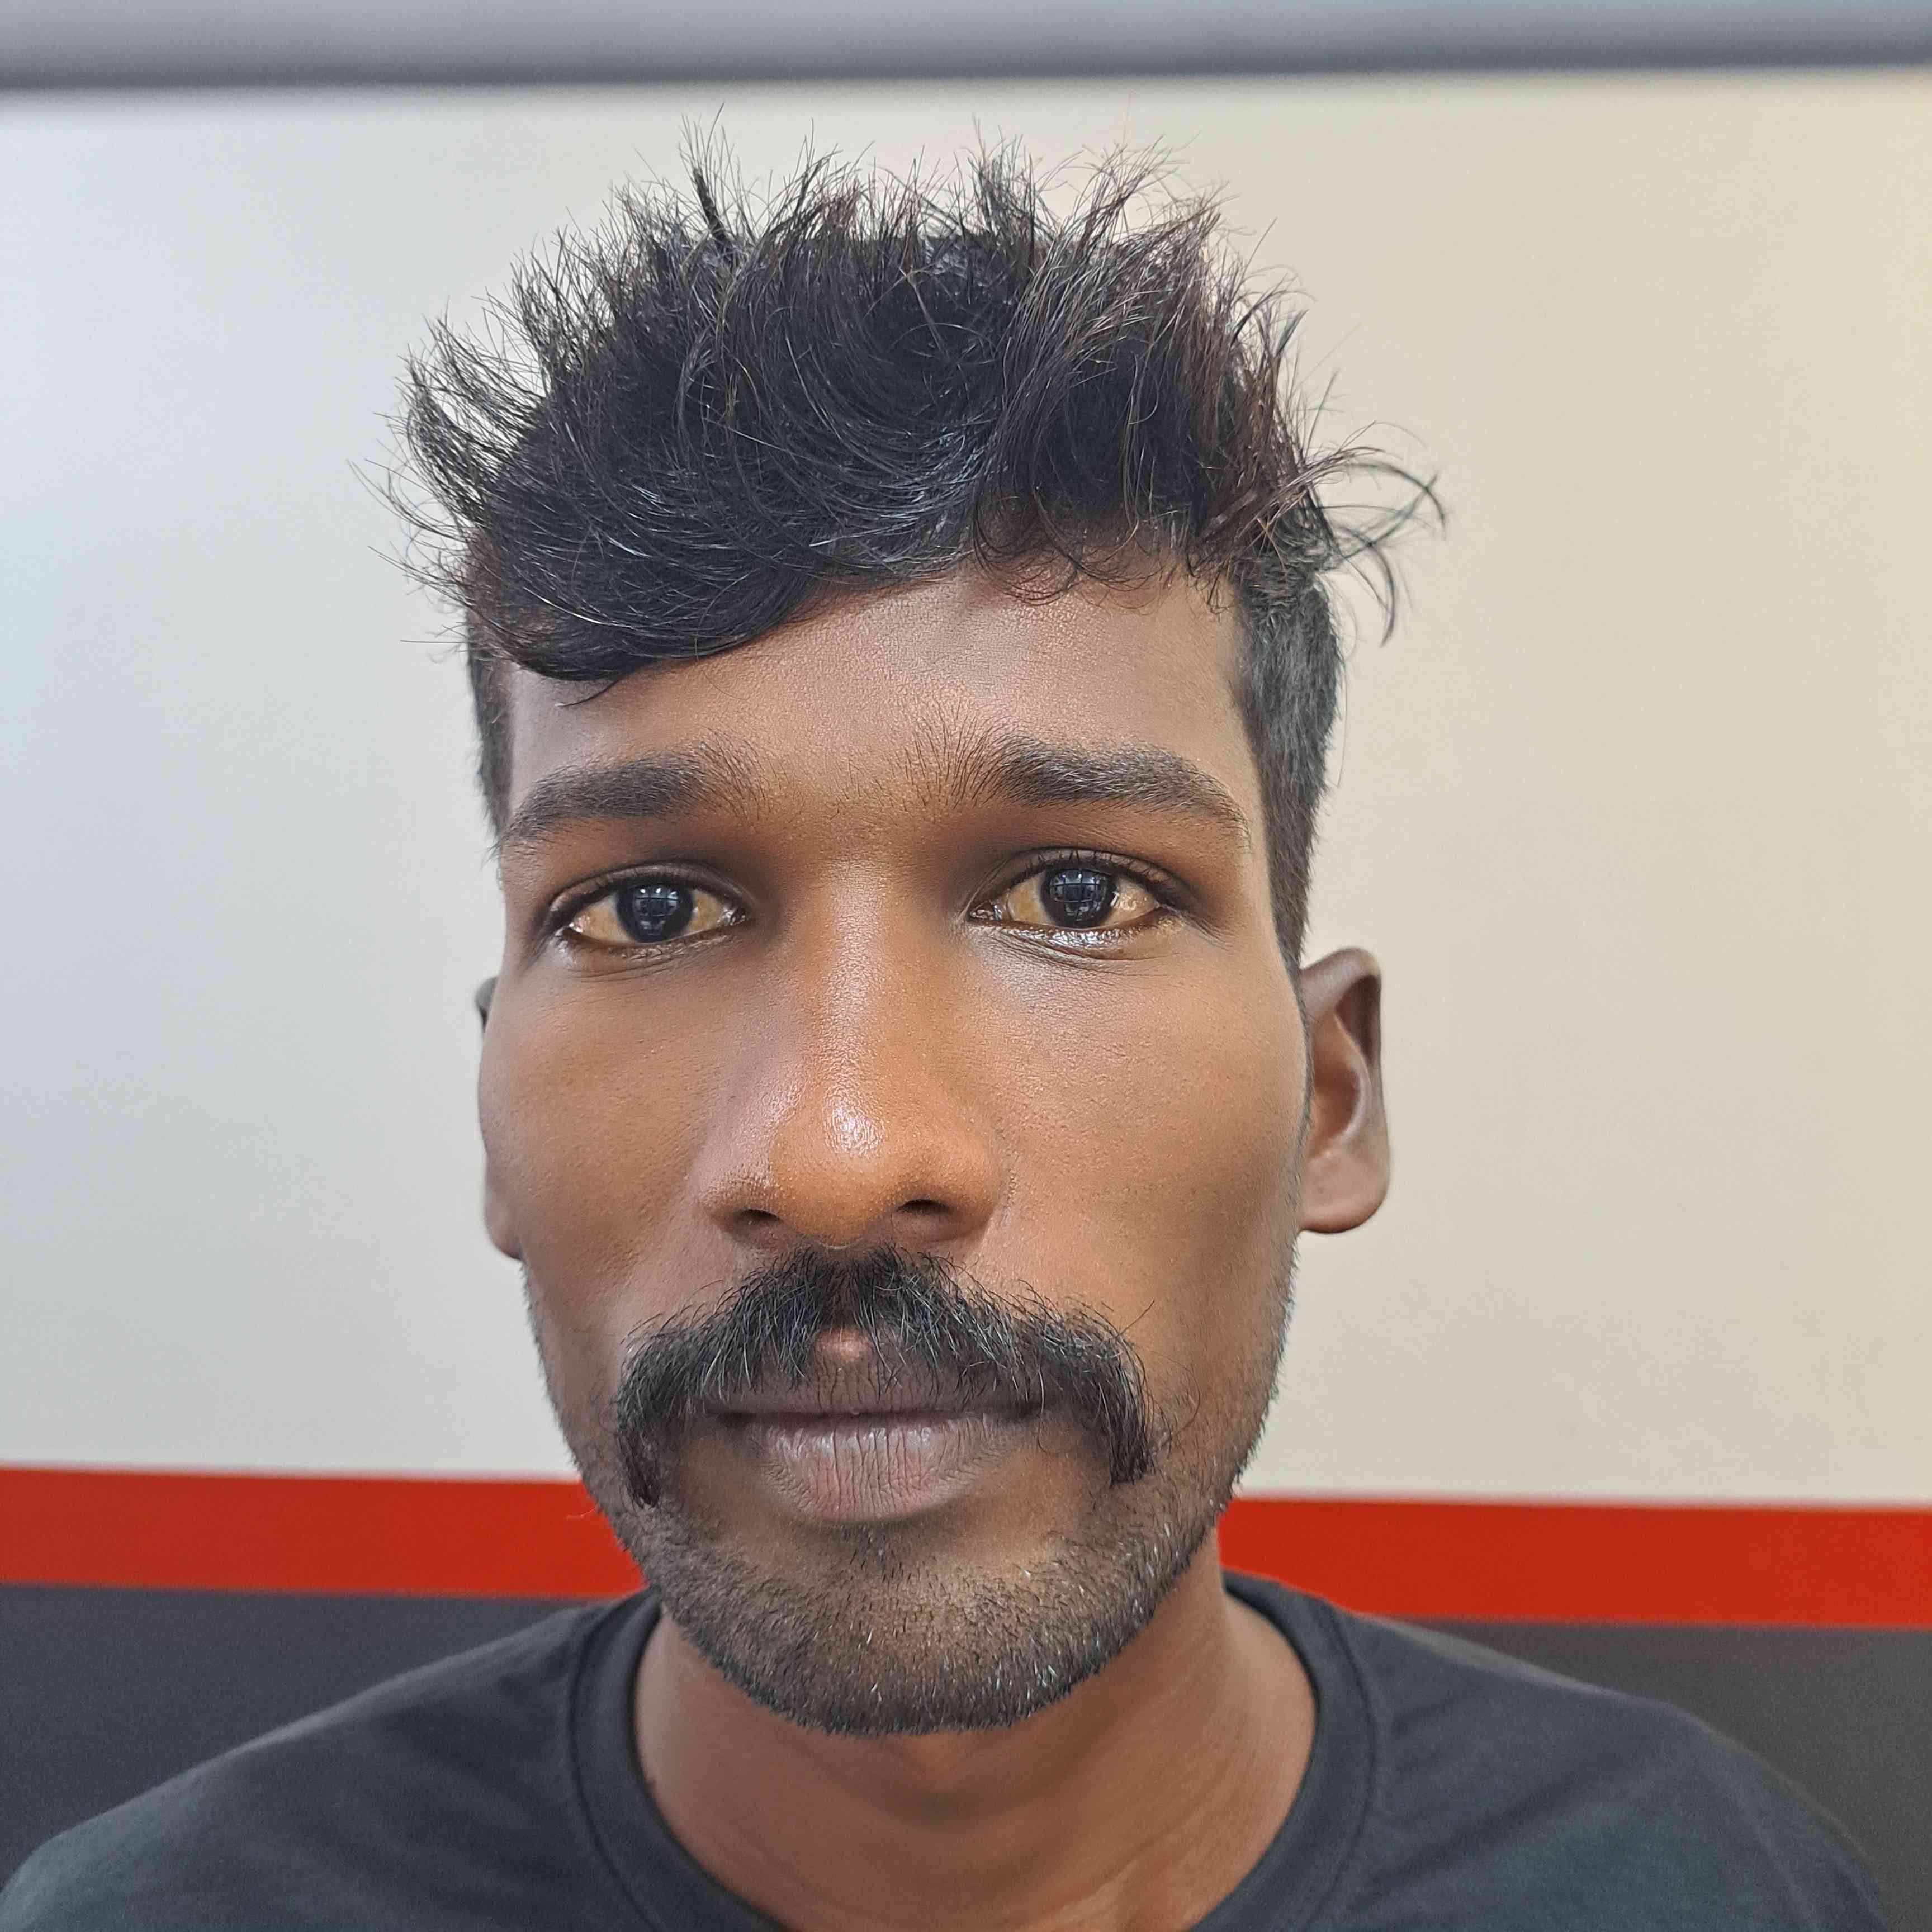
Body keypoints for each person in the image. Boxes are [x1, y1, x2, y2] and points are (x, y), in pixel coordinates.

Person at [2, 146, 1888, 1932]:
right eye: (645, 912)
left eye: (1078, 893)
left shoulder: (1709, 1887)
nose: (837, 1153)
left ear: (1331, 1097)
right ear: (493, 1124)